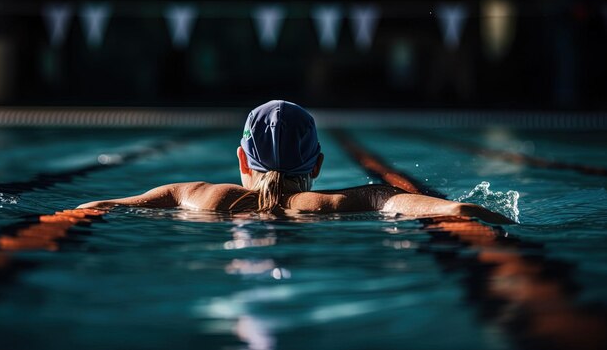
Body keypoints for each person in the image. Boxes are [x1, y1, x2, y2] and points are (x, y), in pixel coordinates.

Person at [78, 100, 511, 224]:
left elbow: (96, 208)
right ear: (317, 165)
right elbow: (455, 210)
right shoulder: (355, 202)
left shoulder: (194, 195)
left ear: (242, 159)